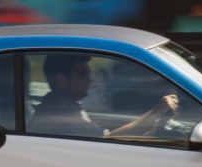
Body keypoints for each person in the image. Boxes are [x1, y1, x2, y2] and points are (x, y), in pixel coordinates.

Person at [28, 53, 178, 139]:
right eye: (82, 74)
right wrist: (156, 111)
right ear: (62, 79)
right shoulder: (59, 113)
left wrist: (152, 131)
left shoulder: (66, 105)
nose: (90, 79)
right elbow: (108, 139)